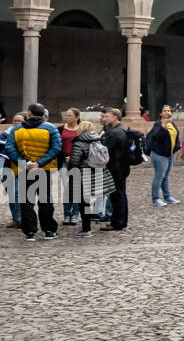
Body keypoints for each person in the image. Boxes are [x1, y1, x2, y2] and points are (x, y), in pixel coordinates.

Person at [4, 103, 61, 240]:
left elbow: (10, 148)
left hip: (24, 169)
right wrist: (39, 163)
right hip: (44, 169)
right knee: (45, 200)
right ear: (43, 114)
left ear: (29, 113)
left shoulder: (17, 129)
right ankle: (49, 230)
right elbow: (56, 148)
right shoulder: (51, 128)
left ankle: (29, 231)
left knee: (26, 202)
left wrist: (25, 163)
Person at [67, 119, 114, 238]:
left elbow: (74, 162)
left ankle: (86, 228)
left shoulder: (79, 142)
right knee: (88, 202)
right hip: (95, 174)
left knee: (83, 203)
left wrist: (69, 164)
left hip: (82, 175)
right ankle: (86, 227)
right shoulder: (98, 139)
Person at [146, 105, 180, 207]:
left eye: (169, 110)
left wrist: (176, 147)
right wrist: (163, 126)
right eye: (164, 111)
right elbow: (157, 136)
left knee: (165, 176)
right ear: (161, 113)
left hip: (169, 154)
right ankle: (155, 199)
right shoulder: (158, 124)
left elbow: (176, 136)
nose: (167, 112)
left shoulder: (172, 123)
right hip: (159, 154)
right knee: (159, 176)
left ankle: (167, 196)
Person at [59, 107, 81, 225]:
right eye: (66, 115)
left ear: (77, 117)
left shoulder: (81, 129)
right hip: (64, 161)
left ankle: (75, 213)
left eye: (69, 115)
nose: (67, 117)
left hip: (78, 162)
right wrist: (65, 157)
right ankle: (67, 213)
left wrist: (74, 157)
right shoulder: (61, 129)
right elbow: (57, 146)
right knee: (67, 187)